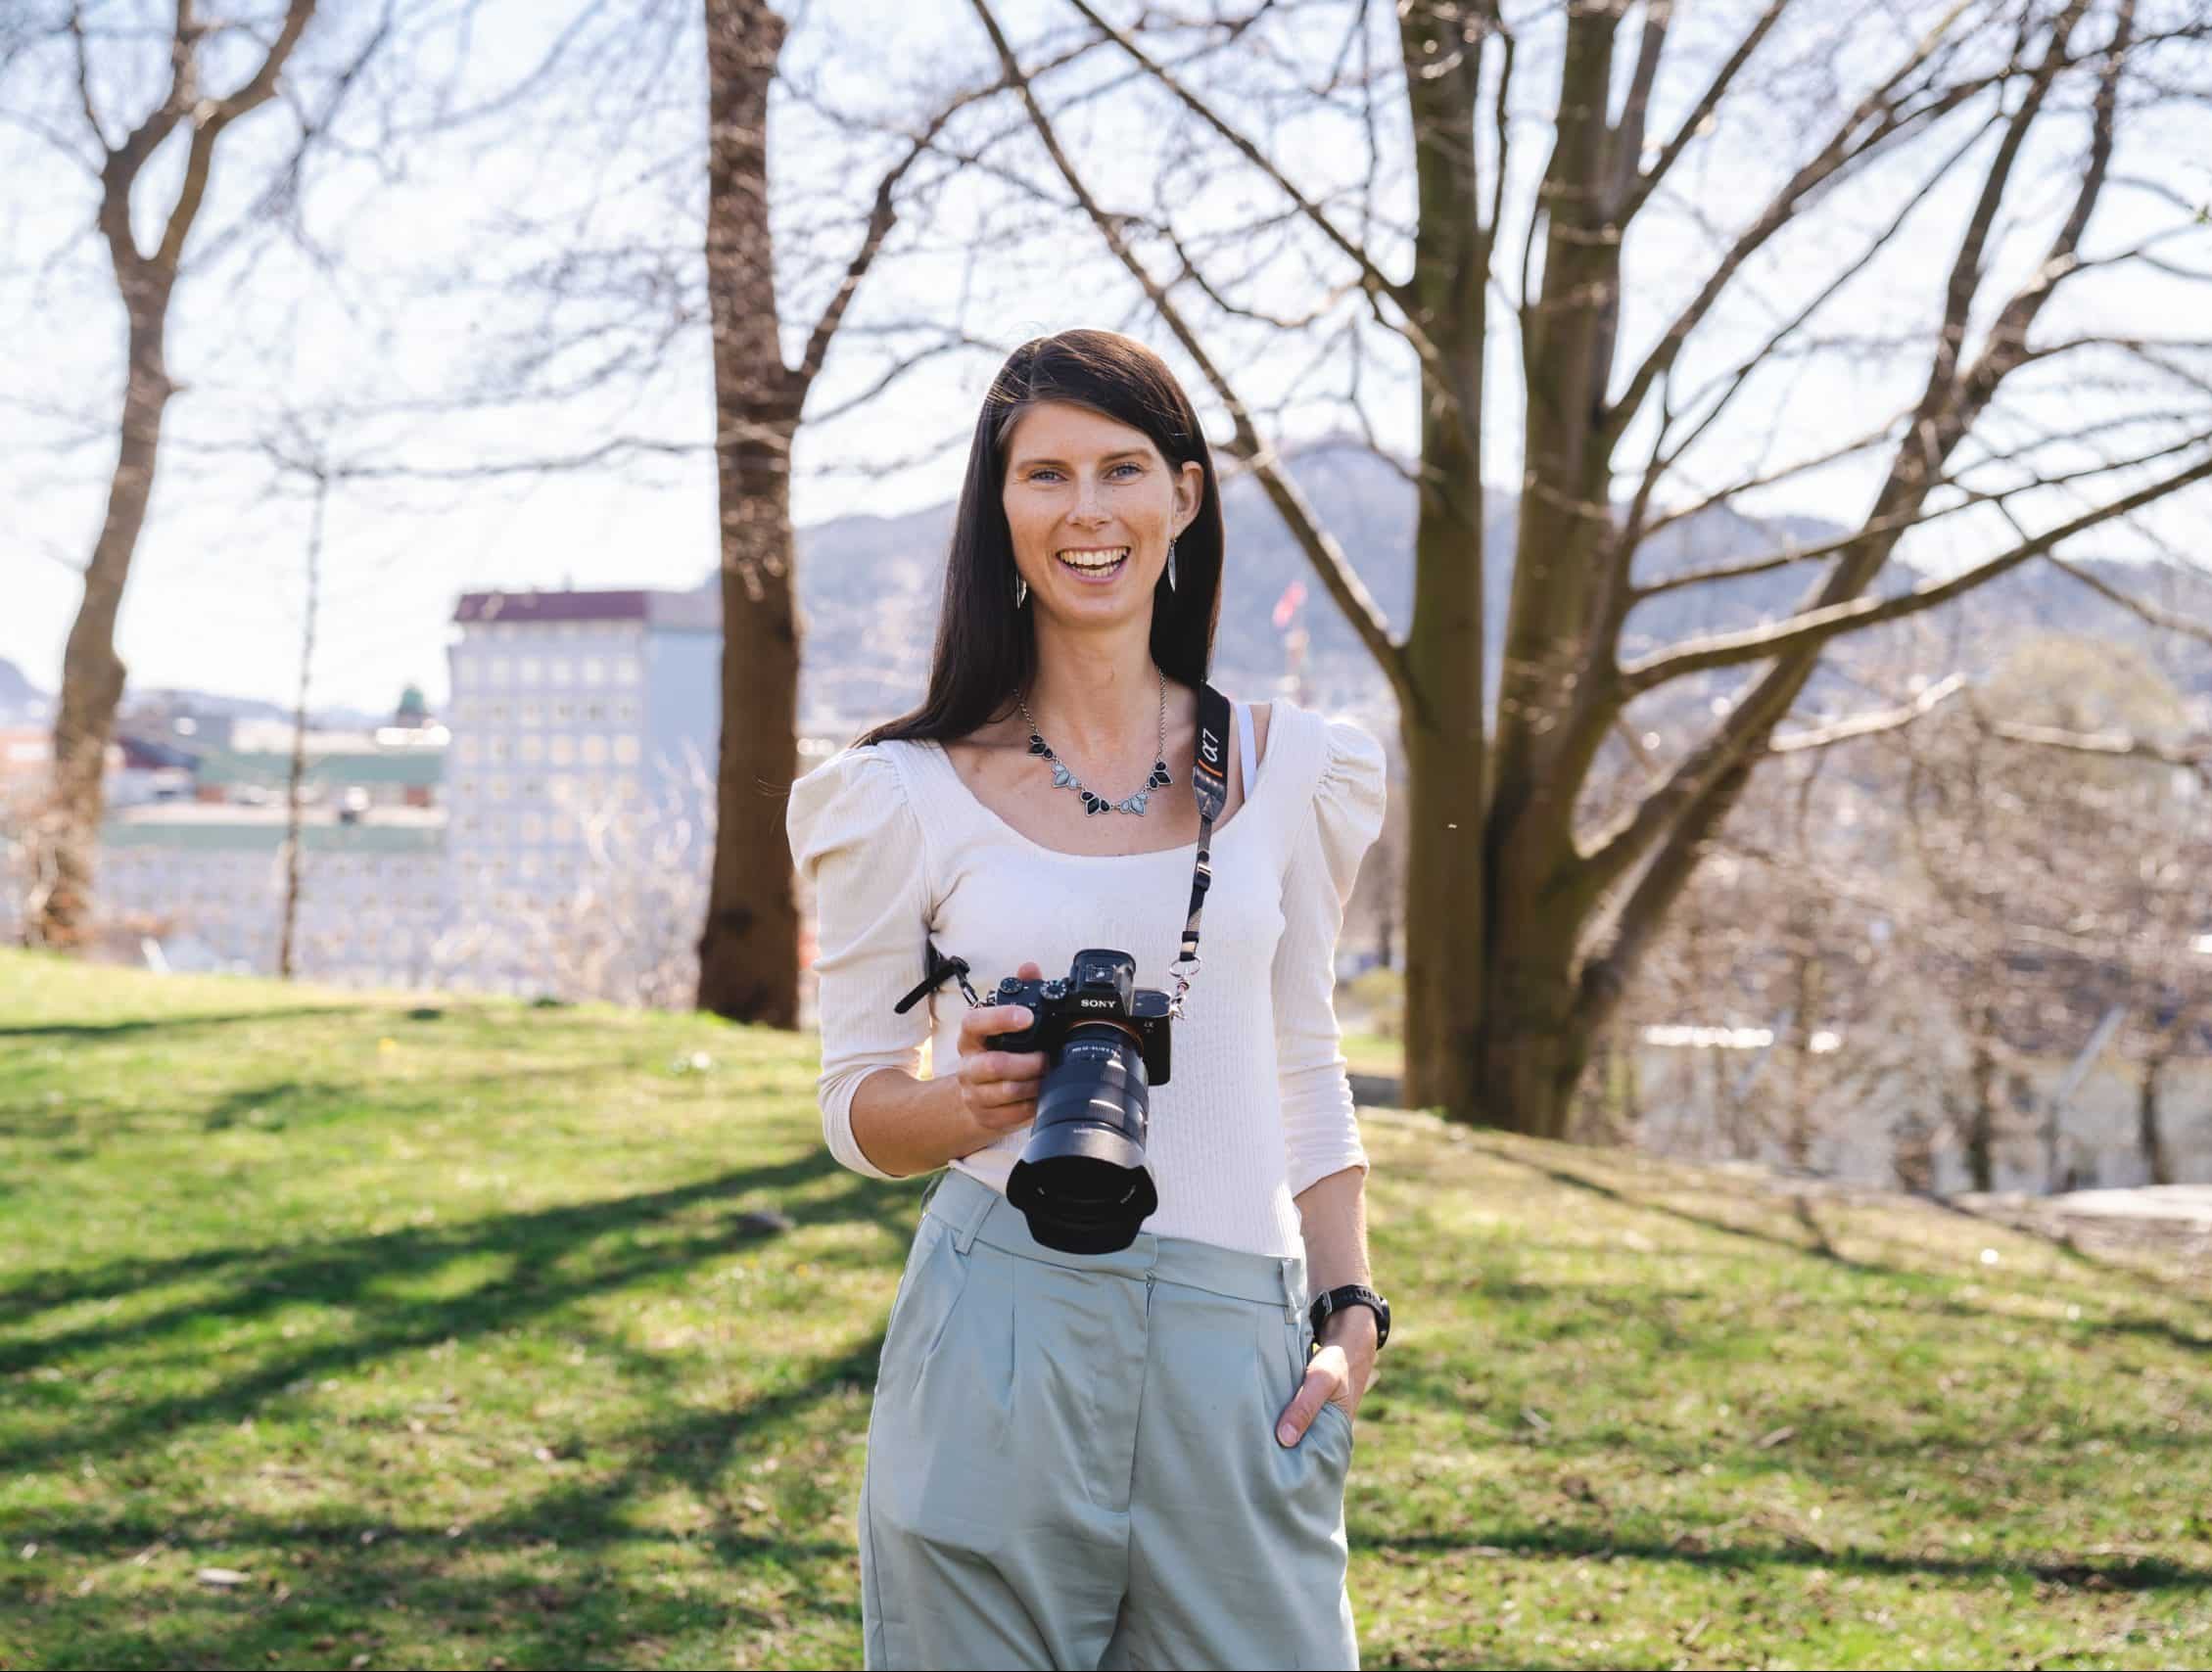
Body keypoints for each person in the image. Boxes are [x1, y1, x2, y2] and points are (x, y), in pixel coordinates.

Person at [785, 328, 1390, 1671]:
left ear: (1183, 498)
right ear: (998, 514)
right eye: (1044, 475)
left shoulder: (1296, 769)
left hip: (1243, 1336)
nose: (1087, 510)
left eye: (1122, 469)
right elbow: (852, 1101)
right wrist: (957, 1106)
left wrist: (1352, 1311)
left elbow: (1301, 1057)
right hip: (1002, 1313)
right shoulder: (904, 792)